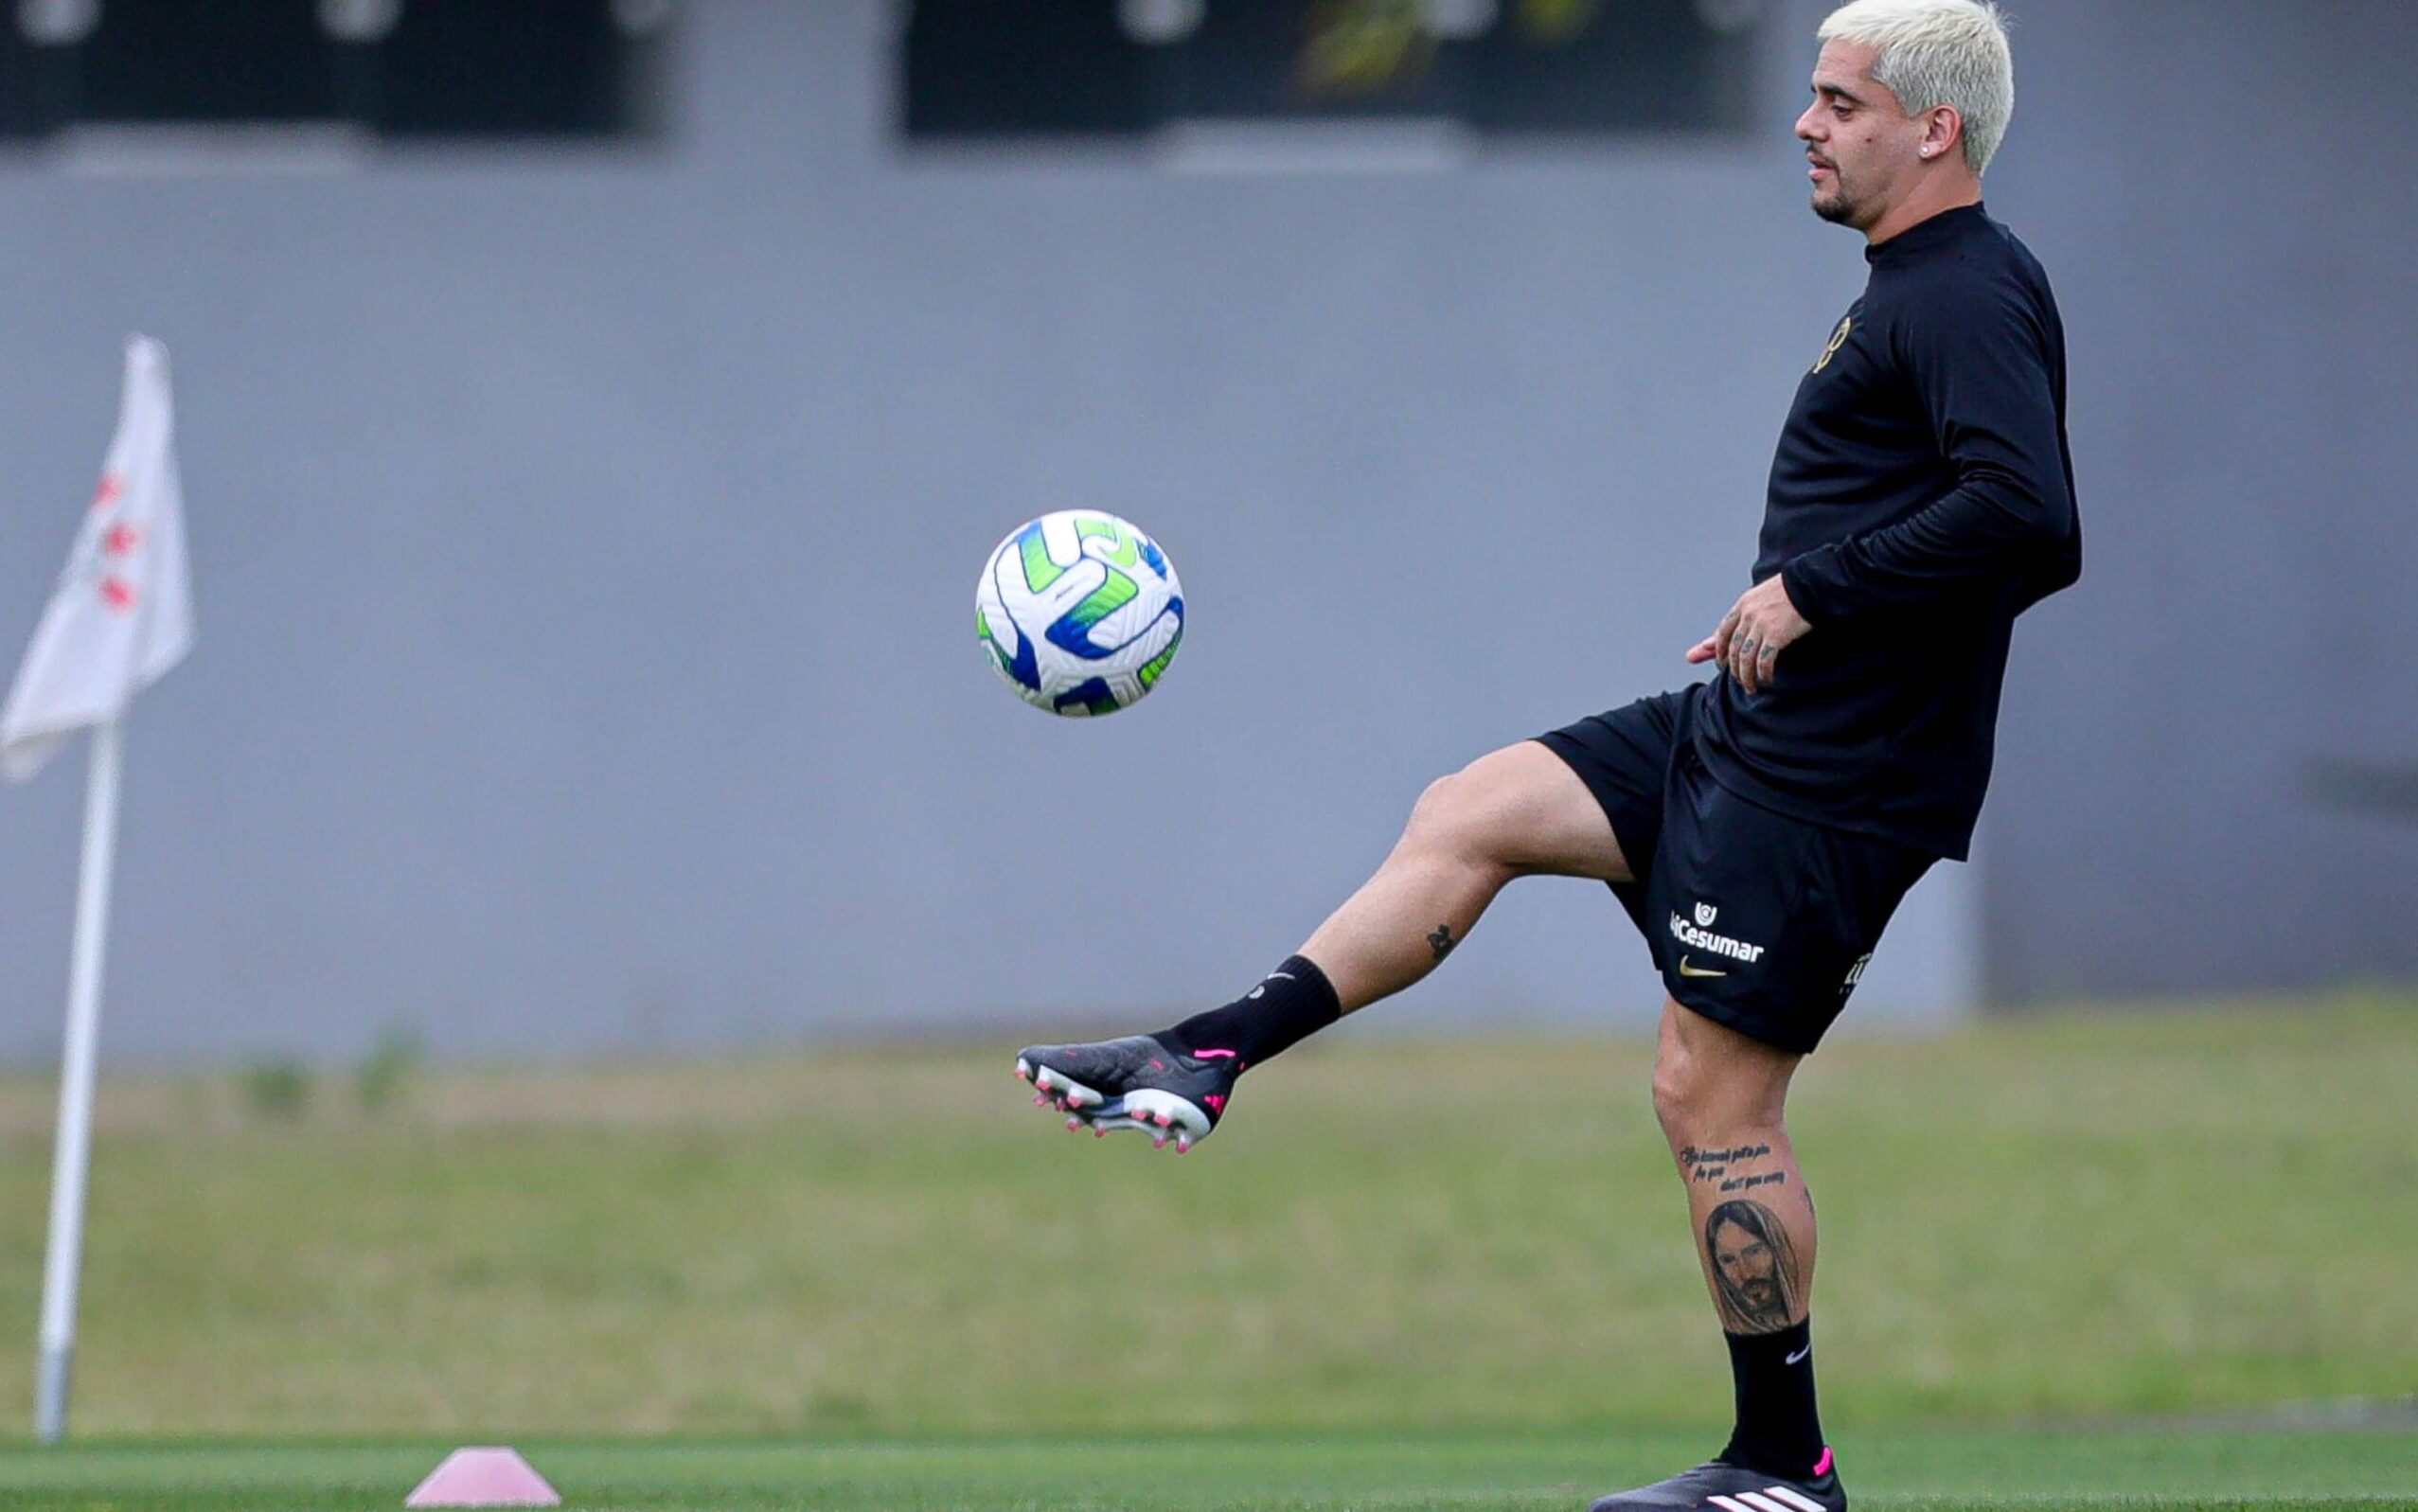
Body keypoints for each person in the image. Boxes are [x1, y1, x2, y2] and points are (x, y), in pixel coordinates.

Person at [1015, 2, 2076, 1505]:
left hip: (1836, 780)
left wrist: (1810, 590)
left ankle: (1783, 1468)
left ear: (1932, 130)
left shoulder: (1965, 291)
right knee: (1479, 807)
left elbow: (2029, 519)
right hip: (1753, 727)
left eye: (1838, 102)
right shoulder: (1910, 284)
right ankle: (1207, 1051)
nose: (1805, 122)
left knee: (1708, 1100)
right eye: (1811, 96)